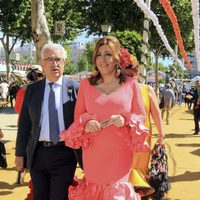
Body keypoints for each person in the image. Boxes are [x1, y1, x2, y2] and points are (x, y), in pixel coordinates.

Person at [60, 36, 148, 200]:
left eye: (108, 54)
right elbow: (78, 115)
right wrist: (87, 121)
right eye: (99, 54)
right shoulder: (86, 85)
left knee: (117, 192)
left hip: (120, 151)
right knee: (95, 191)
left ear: (117, 58)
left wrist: (126, 119)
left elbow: (141, 115)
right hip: (94, 151)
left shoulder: (131, 84)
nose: (103, 59)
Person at [15, 43, 80, 200]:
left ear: (64, 62)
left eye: (58, 59)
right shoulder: (32, 90)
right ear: (42, 63)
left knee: (59, 196)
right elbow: (25, 124)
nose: (54, 63)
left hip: (64, 153)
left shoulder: (76, 87)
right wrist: (19, 153)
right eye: (49, 59)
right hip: (38, 153)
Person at [121, 49, 165, 198]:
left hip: (142, 141)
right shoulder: (116, 91)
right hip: (121, 141)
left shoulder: (147, 90)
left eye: (132, 74)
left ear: (138, 74)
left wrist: (161, 136)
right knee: (122, 173)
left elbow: (156, 115)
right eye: (127, 75)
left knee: (139, 173)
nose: (130, 77)